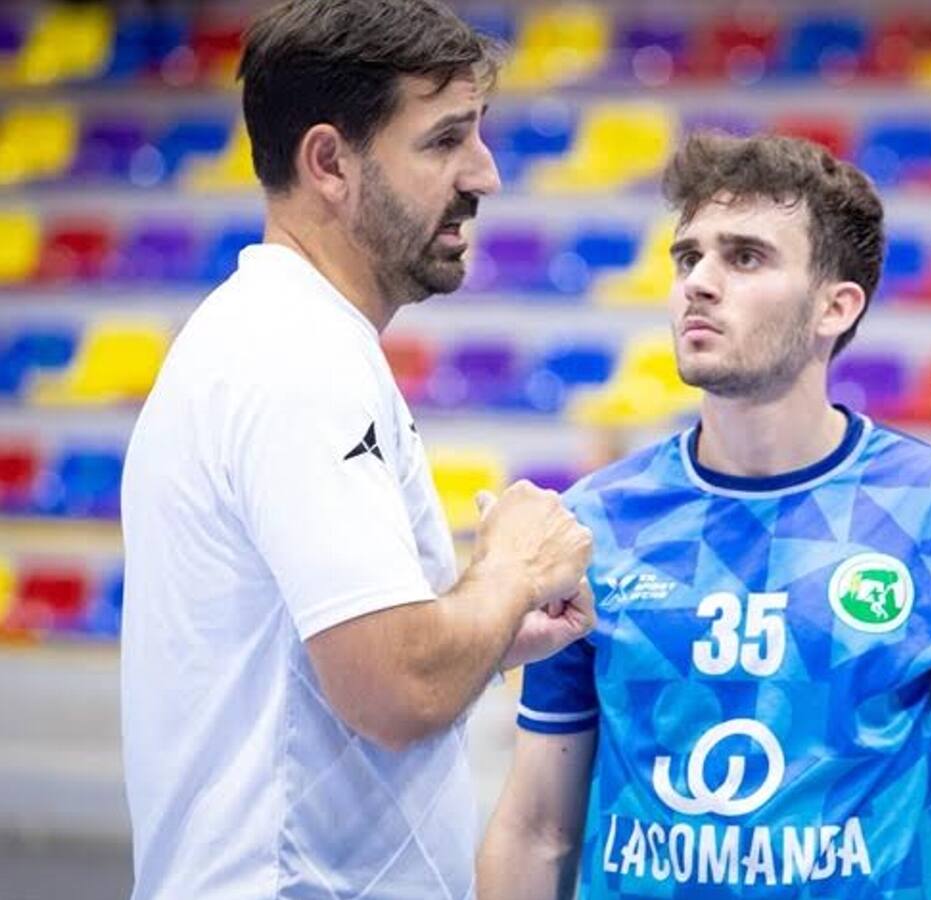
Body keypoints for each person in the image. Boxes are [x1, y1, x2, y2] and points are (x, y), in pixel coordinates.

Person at [120, 2, 594, 898]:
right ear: (330, 163)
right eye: (445, 139)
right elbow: (395, 689)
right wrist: (513, 572)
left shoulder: (285, 337)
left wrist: (489, 629)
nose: (486, 174)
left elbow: (337, 666)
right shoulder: (296, 358)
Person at [479, 132, 931, 899]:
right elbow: (538, 828)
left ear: (836, 307)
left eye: (744, 257)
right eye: (687, 257)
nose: (699, 283)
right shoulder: (590, 524)